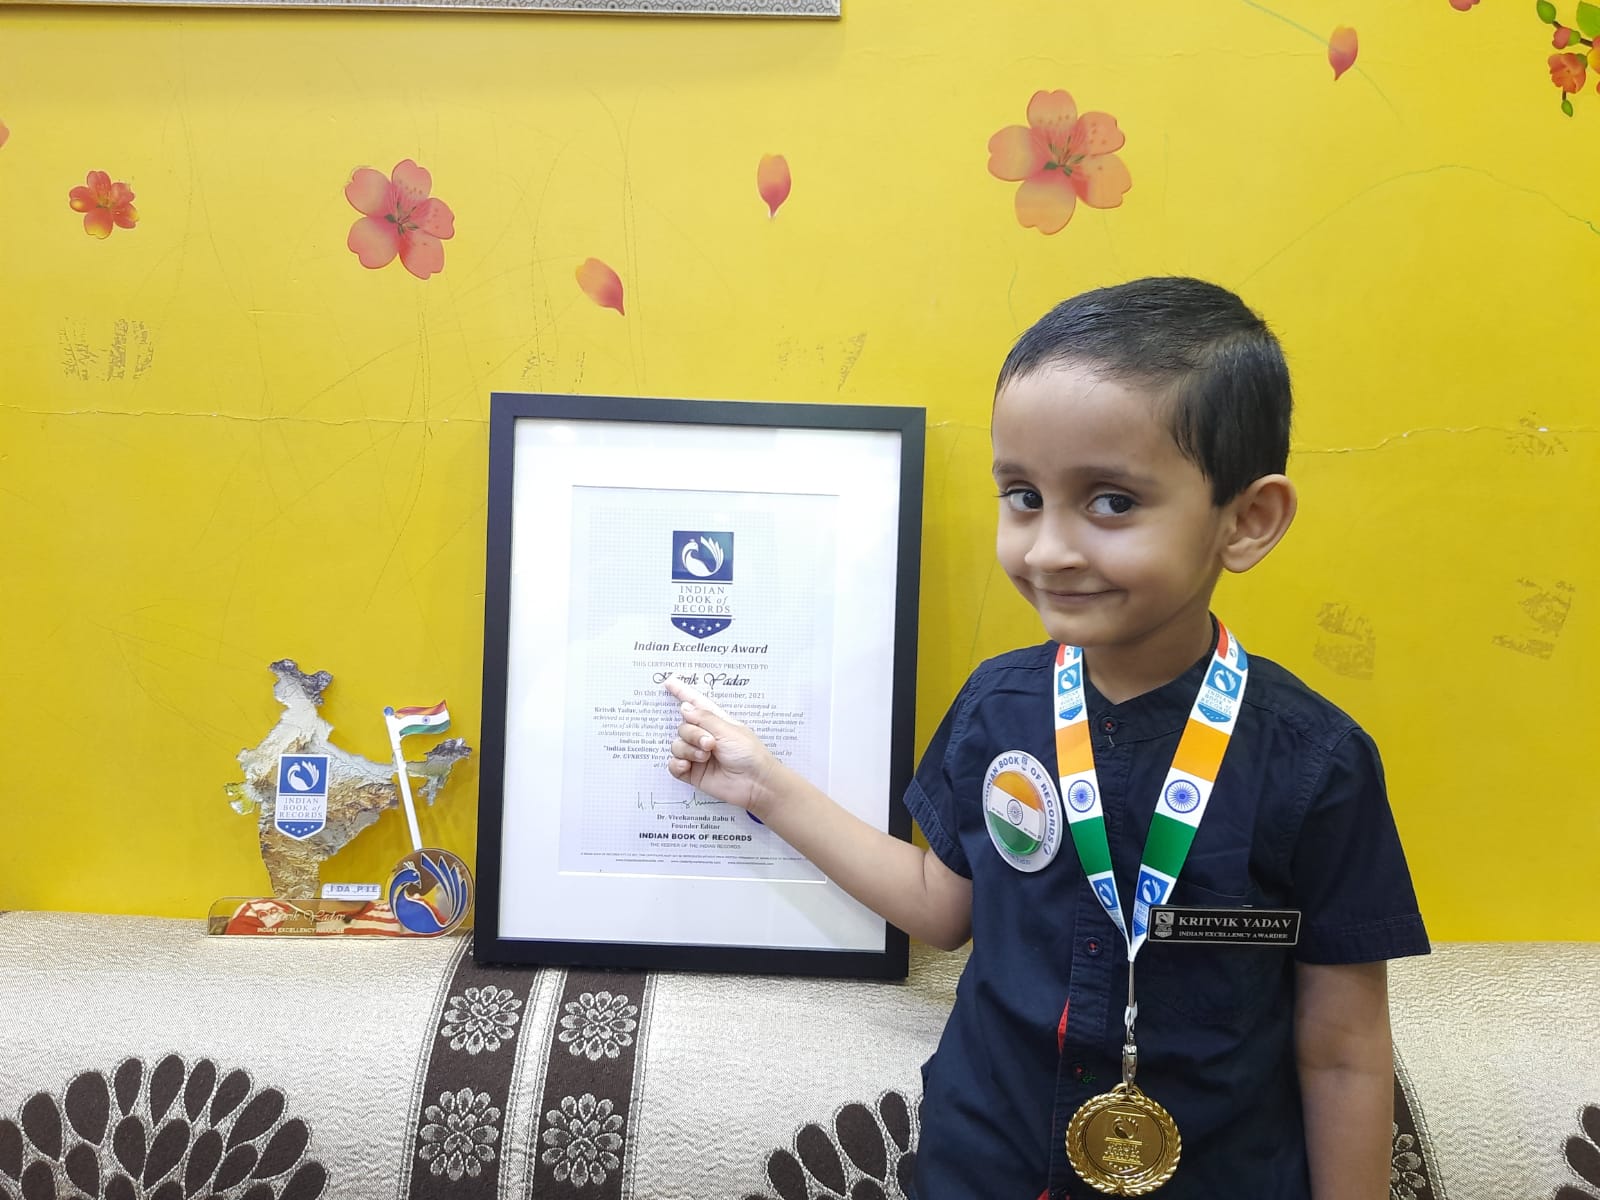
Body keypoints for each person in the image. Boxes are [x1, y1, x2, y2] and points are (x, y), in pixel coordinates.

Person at [665, 276, 1428, 1199]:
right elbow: (940, 908)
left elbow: (1343, 1053)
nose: (1048, 549)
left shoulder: (1318, 764)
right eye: (1023, 495)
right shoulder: (998, 706)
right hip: (983, 1168)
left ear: (1246, 521)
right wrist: (763, 785)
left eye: (1111, 503)